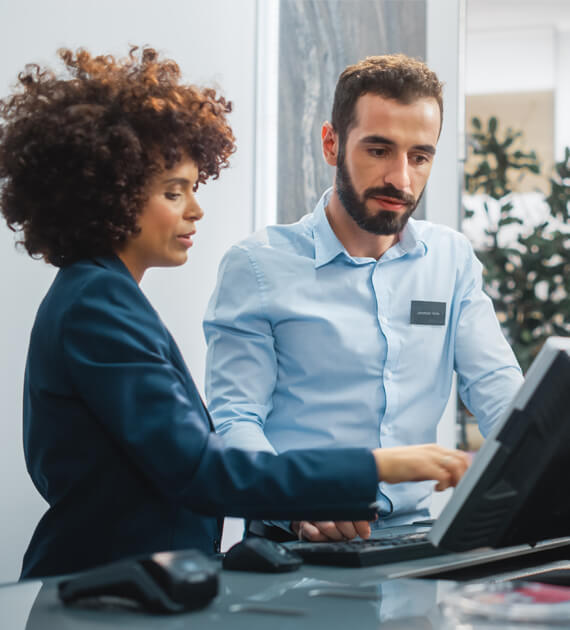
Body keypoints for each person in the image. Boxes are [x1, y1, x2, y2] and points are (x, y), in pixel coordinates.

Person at [0, 47, 470, 579]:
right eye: (174, 192)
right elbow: (203, 469)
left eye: (193, 189)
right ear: (110, 194)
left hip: (136, 587)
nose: (196, 209)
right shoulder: (96, 305)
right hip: (102, 593)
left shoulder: (104, 295)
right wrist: (383, 465)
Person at [204, 54, 523, 542]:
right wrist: (293, 502)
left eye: (420, 156)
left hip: (418, 536)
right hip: (296, 538)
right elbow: (235, 419)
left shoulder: (451, 259)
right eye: (378, 150)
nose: (402, 179)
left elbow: (500, 391)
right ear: (332, 144)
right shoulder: (256, 265)